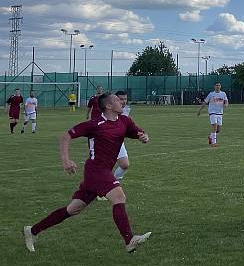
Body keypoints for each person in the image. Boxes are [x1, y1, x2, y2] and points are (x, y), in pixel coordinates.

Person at [23, 92, 152, 253]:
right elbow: (66, 136)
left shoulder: (124, 121)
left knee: (73, 209)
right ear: (108, 106)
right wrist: (66, 160)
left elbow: (139, 133)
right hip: (96, 171)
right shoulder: (95, 124)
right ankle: (129, 240)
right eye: (118, 100)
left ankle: (32, 231)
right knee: (119, 197)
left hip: (101, 172)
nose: (122, 102)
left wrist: (144, 137)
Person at [197, 82, 228, 147]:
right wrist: (200, 110)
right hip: (212, 112)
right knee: (214, 127)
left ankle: (210, 136)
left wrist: (226, 104)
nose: (218, 86)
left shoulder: (223, 93)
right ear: (214, 86)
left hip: (220, 113)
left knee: (218, 130)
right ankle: (214, 143)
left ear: (220, 86)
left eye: (219, 85)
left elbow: (226, 101)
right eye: (216, 85)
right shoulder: (211, 94)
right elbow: (205, 102)